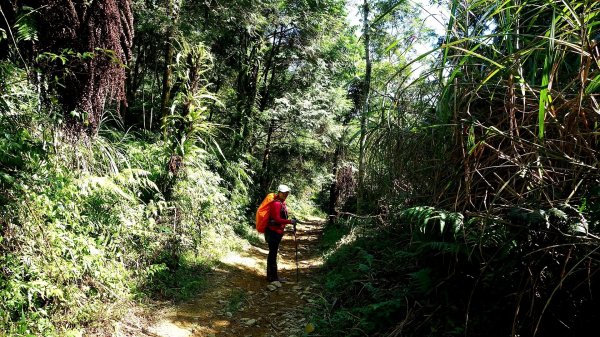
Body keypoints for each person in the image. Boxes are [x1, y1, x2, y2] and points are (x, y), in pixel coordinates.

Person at [265, 184, 297, 282]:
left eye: (286, 193)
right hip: (273, 232)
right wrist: (290, 221)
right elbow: (277, 219)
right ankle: (273, 277)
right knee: (273, 254)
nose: (285, 194)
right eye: (283, 193)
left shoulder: (282, 203)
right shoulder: (277, 204)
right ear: (279, 192)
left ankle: (271, 276)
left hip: (275, 232)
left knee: (272, 253)